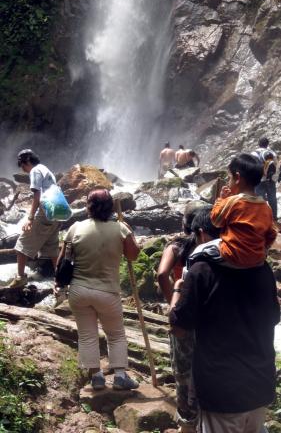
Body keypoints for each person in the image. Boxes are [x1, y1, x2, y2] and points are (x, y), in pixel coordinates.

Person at [170, 217, 280, 433]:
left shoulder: (201, 270)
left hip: (220, 389)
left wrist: (176, 291)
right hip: (259, 381)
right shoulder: (262, 267)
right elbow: (274, 317)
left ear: (203, 234)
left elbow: (179, 327)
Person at [57, 188, 139, 391]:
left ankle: (97, 378)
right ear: (111, 207)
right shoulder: (120, 228)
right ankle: (120, 376)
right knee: (116, 334)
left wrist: (58, 285)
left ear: (89, 207)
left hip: (78, 290)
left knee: (87, 335)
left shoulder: (76, 228)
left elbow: (62, 260)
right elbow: (133, 255)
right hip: (107, 292)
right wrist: (130, 232)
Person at [157, 206, 214, 433]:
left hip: (182, 314)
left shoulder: (176, 246)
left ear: (185, 224)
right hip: (208, 316)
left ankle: (187, 422)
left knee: (183, 370)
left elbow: (162, 274)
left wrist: (175, 300)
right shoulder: (212, 247)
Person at [210, 153, 277, 267]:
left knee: (199, 252)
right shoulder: (266, 207)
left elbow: (215, 221)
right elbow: (272, 234)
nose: (228, 181)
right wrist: (263, 249)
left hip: (231, 257)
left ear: (237, 178)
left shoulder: (232, 201)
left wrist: (221, 199)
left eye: (230, 178)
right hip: (257, 261)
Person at [9, 149, 59, 289]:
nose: (23, 169)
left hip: (45, 212)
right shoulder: (45, 169)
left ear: (27, 161)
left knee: (21, 244)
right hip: (56, 213)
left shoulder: (35, 171)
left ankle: (20, 278)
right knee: (52, 250)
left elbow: (37, 195)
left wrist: (30, 218)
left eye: (22, 165)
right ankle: (61, 281)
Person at [254, 137, 278, 220]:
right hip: (270, 180)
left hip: (259, 180)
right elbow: (276, 166)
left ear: (258, 144)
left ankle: (263, 218)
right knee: (272, 199)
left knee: (260, 200)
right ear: (267, 144)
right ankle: (274, 218)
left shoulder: (254, 153)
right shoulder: (272, 153)